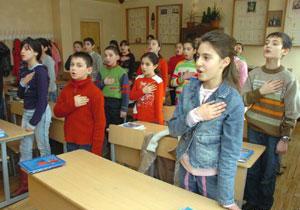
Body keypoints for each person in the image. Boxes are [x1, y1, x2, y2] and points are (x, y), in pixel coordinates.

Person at [168, 31, 244, 210]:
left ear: (225, 62)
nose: (198, 63)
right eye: (198, 56)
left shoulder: (232, 100)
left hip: (210, 178)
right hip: (184, 169)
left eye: (206, 57)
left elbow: (230, 152)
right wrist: (194, 116)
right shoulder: (188, 89)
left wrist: (226, 198)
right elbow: (173, 129)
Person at [242, 32, 300, 210]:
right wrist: (262, 91)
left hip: (275, 135)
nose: (268, 45)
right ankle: (251, 203)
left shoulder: (288, 78)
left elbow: (292, 112)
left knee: (268, 174)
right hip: (254, 130)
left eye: (275, 43)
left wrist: (285, 139)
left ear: (285, 51)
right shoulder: (255, 74)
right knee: (252, 171)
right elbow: (243, 99)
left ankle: (264, 206)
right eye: (267, 42)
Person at [14, 38, 52, 196]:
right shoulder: (23, 70)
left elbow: (42, 100)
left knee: (43, 146)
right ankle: (26, 184)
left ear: (36, 52)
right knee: (25, 148)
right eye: (22, 48)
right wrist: (23, 83)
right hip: (27, 111)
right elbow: (20, 94)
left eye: (27, 48)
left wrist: (33, 122)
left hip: (40, 113)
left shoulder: (41, 71)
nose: (23, 51)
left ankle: (49, 183)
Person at [54, 52, 106, 155]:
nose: (73, 68)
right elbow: (57, 112)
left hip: (88, 143)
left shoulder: (95, 92)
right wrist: (72, 103)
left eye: (79, 65)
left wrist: (96, 151)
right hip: (70, 140)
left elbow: (100, 123)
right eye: (72, 64)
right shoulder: (66, 89)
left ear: (89, 70)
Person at [97, 45, 129, 126]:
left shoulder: (122, 72)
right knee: (104, 126)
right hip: (103, 102)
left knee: (115, 129)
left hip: (116, 104)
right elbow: (96, 88)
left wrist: (124, 108)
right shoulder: (101, 71)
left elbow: (126, 91)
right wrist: (103, 82)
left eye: (110, 55)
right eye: (106, 55)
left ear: (117, 57)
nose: (107, 58)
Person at [130, 52, 164, 125]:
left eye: (147, 64)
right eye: (142, 63)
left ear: (155, 66)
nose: (144, 67)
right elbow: (131, 97)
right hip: (138, 117)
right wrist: (143, 91)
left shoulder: (158, 81)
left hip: (152, 120)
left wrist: (159, 123)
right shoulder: (138, 78)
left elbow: (158, 105)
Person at [38, 38, 57, 102]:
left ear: (45, 48)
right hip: (41, 90)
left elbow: (52, 76)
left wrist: (48, 91)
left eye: (39, 46)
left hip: (50, 91)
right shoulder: (37, 59)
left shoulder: (48, 60)